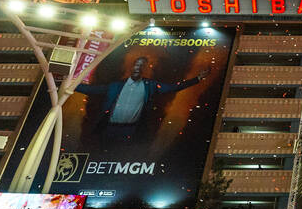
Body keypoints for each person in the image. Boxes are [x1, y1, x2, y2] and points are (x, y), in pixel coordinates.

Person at [76, 57, 209, 144]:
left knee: (123, 157)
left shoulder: (150, 85)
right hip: (108, 128)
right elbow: (92, 90)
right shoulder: (116, 86)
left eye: (141, 66)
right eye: (136, 65)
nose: (137, 68)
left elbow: (174, 87)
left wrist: (197, 79)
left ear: (145, 69)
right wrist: (67, 85)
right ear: (131, 67)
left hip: (131, 131)